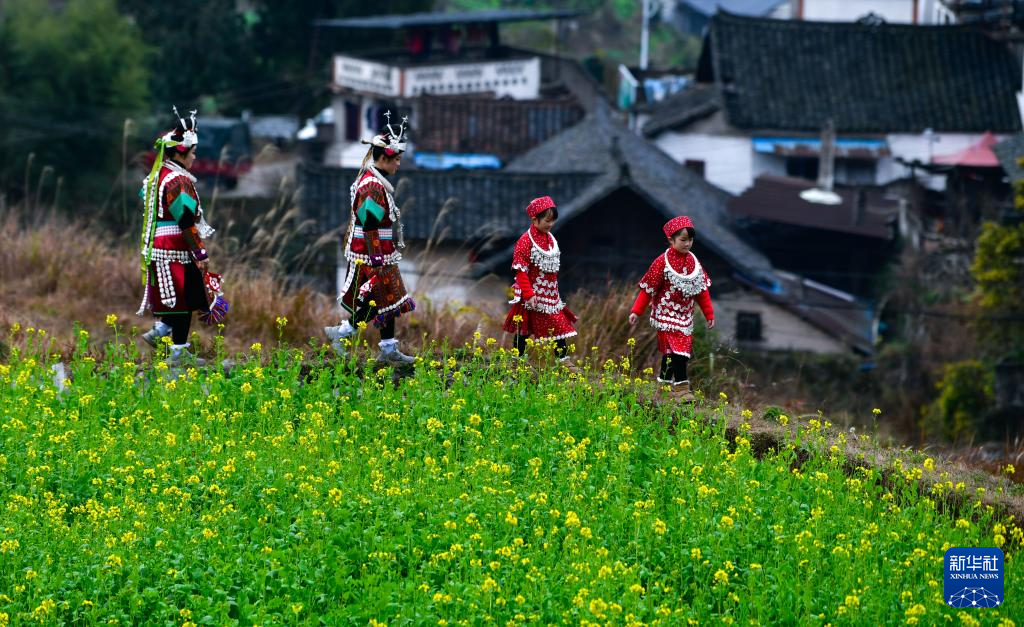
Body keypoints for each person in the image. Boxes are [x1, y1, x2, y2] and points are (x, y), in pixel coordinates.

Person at [325, 112, 416, 364]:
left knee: (389, 300)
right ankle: (342, 333)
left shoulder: (377, 181)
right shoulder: (372, 186)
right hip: (369, 254)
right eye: (396, 159)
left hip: (380, 252)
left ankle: (387, 348)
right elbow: (369, 223)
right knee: (374, 299)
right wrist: (376, 257)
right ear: (385, 158)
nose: (398, 164)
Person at [137, 107, 216, 366]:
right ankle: (179, 352)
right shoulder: (178, 181)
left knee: (181, 298)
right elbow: (184, 219)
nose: (194, 158)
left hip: (159, 245)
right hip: (176, 247)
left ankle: (160, 332)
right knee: (182, 300)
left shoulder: (158, 176)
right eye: (193, 153)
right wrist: (200, 252)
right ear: (181, 153)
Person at [628, 216, 714, 402]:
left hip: (685, 315)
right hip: (665, 314)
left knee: (671, 352)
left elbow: (702, 291)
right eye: (683, 240)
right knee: (679, 351)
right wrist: (637, 311)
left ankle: (663, 386)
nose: (687, 244)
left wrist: (709, 314)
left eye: (690, 240)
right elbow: (648, 289)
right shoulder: (661, 262)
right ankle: (682, 389)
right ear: (671, 240)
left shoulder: (694, 262)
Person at [502, 196, 578, 362]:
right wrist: (529, 295)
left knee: (558, 325)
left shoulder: (550, 239)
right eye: (547, 221)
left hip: (550, 294)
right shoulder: (524, 241)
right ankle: (518, 360)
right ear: (534, 220)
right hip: (530, 294)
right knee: (524, 328)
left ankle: (563, 361)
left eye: (553, 221)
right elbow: (520, 271)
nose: (550, 225)